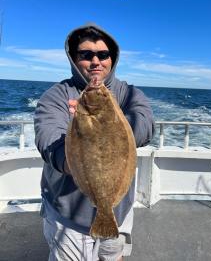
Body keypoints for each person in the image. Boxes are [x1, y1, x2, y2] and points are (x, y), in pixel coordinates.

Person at [34, 23, 155, 261]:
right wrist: (76, 152)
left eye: (103, 54)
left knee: (113, 256)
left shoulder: (128, 93)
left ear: (112, 58)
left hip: (116, 211)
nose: (95, 61)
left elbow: (145, 125)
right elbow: (47, 137)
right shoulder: (56, 95)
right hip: (67, 216)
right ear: (74, 58)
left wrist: (104, 124)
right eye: (86, 55)